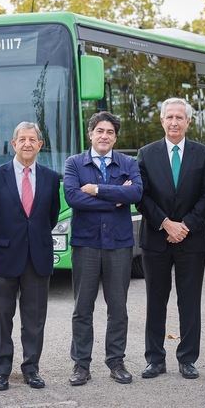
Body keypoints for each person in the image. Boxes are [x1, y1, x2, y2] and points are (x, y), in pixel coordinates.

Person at [0, 121, 61, 391]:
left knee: (34, 318)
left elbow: (50, 216)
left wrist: (31, 237)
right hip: (3, 255)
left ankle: (31, 369)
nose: (27, 143)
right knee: (1, 318)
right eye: (22, 139)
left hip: (37, 256)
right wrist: (3, 239)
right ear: (13, 144)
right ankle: (1, 370)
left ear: (40, 145)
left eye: (32, 139)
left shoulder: (50, 177)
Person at [136, 98, 205, 380]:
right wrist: (166, 224)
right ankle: (155, 359)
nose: (174, 122)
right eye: (169, 117)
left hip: (191, 240)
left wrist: (185, 226)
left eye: (179, 118)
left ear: (188, 122)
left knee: (189, 301)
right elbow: (141, 196)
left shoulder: (203, 154)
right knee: (155, 301)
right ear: (161, 120)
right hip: (156, 239)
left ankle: (187, 359)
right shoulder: (146, 154)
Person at [63, 111, 143, 385]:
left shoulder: (128, 163)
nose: (104, 136)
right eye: (100, 131)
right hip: (86, 244)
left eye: (109, 132)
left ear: (115, 137)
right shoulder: (74, 163)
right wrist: (116, 196)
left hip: (119, 245)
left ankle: (116, 361)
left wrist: (96, 190)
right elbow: (73, 198)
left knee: (118, 307)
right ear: (90, 134)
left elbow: (136, 194)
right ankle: (81, 365)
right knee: (82, 307)